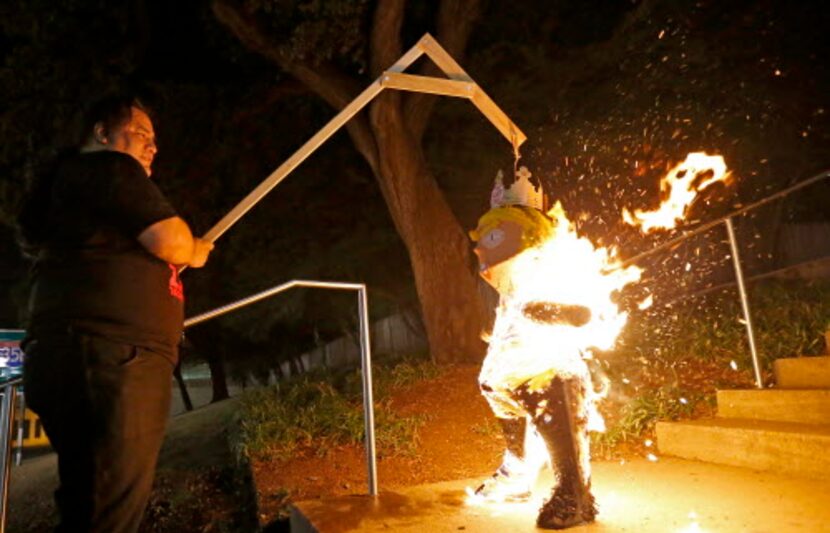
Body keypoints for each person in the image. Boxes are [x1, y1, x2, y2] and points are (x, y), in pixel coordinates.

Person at [17, 93, 213, 532]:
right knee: (110, 512)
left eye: (154, 139)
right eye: (141, 133)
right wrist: (195, 251)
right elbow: (174, 242)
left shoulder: (71, 193)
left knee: (90, 503)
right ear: (102, 133)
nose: (152, 146)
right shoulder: (107, 168)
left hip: (79, 357)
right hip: (111, 360)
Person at [469, 168, 597, 529]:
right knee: (499, 395)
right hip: (507, 373)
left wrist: (565, 312)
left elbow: (549, 306)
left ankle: (574, 492)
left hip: (547, 367)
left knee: (554, 414)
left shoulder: (545, 264)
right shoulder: (509, 285)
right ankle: (517, 472)